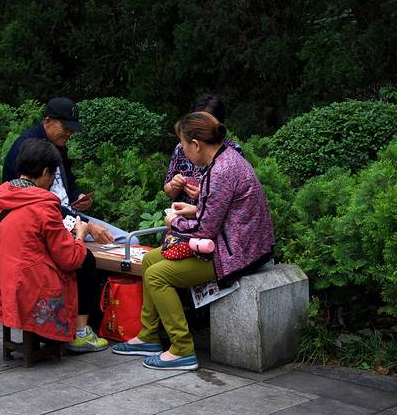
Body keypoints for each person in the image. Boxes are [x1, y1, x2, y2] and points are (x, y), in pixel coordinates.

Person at [112, 111, 275, 370]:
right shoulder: (226, 159)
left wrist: (173, 222)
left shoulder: (221, 170)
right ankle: (148, 336)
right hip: (232, 243)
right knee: (150, 260)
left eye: (183, 144)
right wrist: (193, 210)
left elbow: (204, 231)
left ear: (196, 145)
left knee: (157, 276)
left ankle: (181, 349)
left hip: (237, 253)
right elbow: (219, 212)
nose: (183, 150)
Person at [0, 139, 108, 352]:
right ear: (45, 172)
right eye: (53, 175)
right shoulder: (44, 204)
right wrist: (80, 236)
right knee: (85, 260)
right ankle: (81, 332)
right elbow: (70, 259)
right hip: (30, 286)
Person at [2, 97, 135, 244]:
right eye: (65, 127)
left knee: (130, 241)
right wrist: (87, 225)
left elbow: (67, 179)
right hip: (47, 222)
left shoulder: (58, 144)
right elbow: (38, 205)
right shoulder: (29, 148)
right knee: (121, 244)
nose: (69, 133)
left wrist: (77, 196)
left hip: (69, 215)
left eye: (72, 129)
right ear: (48, 121)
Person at [164, 92, 243, 204]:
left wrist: (205, 195)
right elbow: (169, 193)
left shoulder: (231, 153)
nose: (197, 128)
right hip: (184, 211)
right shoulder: (183, 147)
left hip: (208, 213)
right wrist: (174, 185)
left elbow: (234, 201)